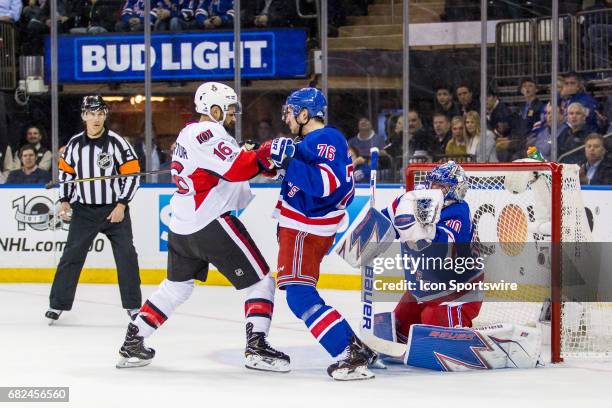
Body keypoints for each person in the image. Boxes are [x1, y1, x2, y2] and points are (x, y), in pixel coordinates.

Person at [116, 82, 289, 372]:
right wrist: (265, 153)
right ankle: (257, 347)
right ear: (215, 109)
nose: (234, 115)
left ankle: (133, 342)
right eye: (230, 109)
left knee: (176, 288)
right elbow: (236, 170)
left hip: (183, 226)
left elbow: (227, 167)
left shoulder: (189, 132)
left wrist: (258, 159)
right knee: (261, 282)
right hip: (212, 221)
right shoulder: (208, 132)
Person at [257, 87, 378, 380]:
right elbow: (299, 175)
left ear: (304, 114)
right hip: (304, 228)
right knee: (300, 292)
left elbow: (325, 184)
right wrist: (275, 166)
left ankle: (348, 353)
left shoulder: (326, 138)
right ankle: (356, 346)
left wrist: (289, 162)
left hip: (304, 229)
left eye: (290, 112)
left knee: (299, 296)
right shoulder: (312, 140)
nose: (285, 117)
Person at [46, 95, 142, 323]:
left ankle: (133, 305)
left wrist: (122, 204)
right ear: (83, 116)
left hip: (114, 210)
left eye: (100, 113)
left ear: (105, 115)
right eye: (91, 113)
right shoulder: (74, 144)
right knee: (71, 256)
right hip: (84, 211)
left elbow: (133, 175)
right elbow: (66, 174)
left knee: (127, 256)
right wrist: (65, 199)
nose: (96, 118)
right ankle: (57, 305)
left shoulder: (118, 143)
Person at [381, 161, 482, 343]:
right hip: (425, 286)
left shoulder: (458, 210)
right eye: (433, 183)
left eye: (442, 186)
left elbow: (443, 248)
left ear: (456, 190)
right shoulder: (415, 201)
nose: (435, 189)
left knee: (433, 319)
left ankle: (461, 337)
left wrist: (422, 230)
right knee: (397, 326)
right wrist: (371, 234)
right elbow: (386, 221)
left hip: (458, 290)